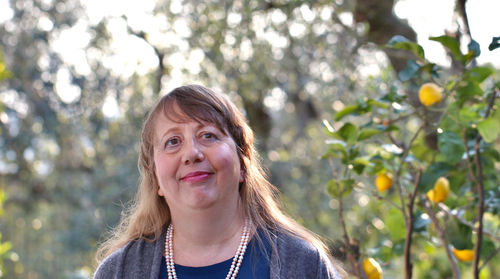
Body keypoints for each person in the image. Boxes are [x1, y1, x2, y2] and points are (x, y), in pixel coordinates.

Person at [94, 84, 346, 279]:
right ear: (156, 179)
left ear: (243, 163)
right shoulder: (118, 272)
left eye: (208, 135)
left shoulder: (303, 264)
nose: (192, 153)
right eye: (173, 141)